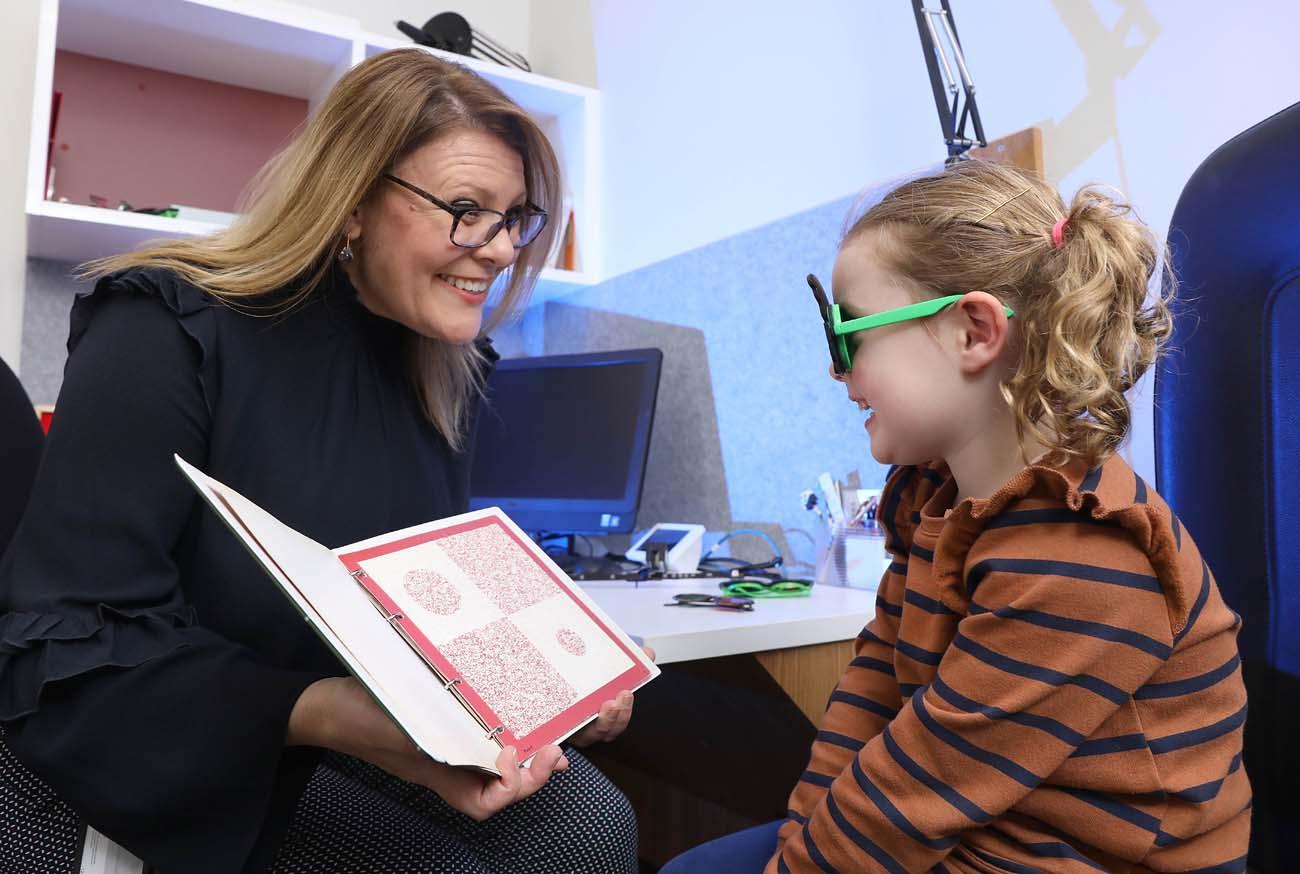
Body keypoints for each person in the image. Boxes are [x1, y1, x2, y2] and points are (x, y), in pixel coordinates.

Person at [0, 49, 642, 874]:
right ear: (350, 205)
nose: (496, 248)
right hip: (150, 736)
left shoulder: (449, 368)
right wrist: (335, 713)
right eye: (464, 208)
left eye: (515, 217)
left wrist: (548, 680)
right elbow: (75, 648)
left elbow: (413, 599)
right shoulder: (166, 326)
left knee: (590, 829)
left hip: (330, 717)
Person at [661, 160, 1250, 873]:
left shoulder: (1078, 555)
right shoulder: (928, 499)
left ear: (974, 331)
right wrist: (799, 842)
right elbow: (873, 699)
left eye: (847, 334)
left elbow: (923, 788)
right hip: (986, 813)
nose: (837, 372)